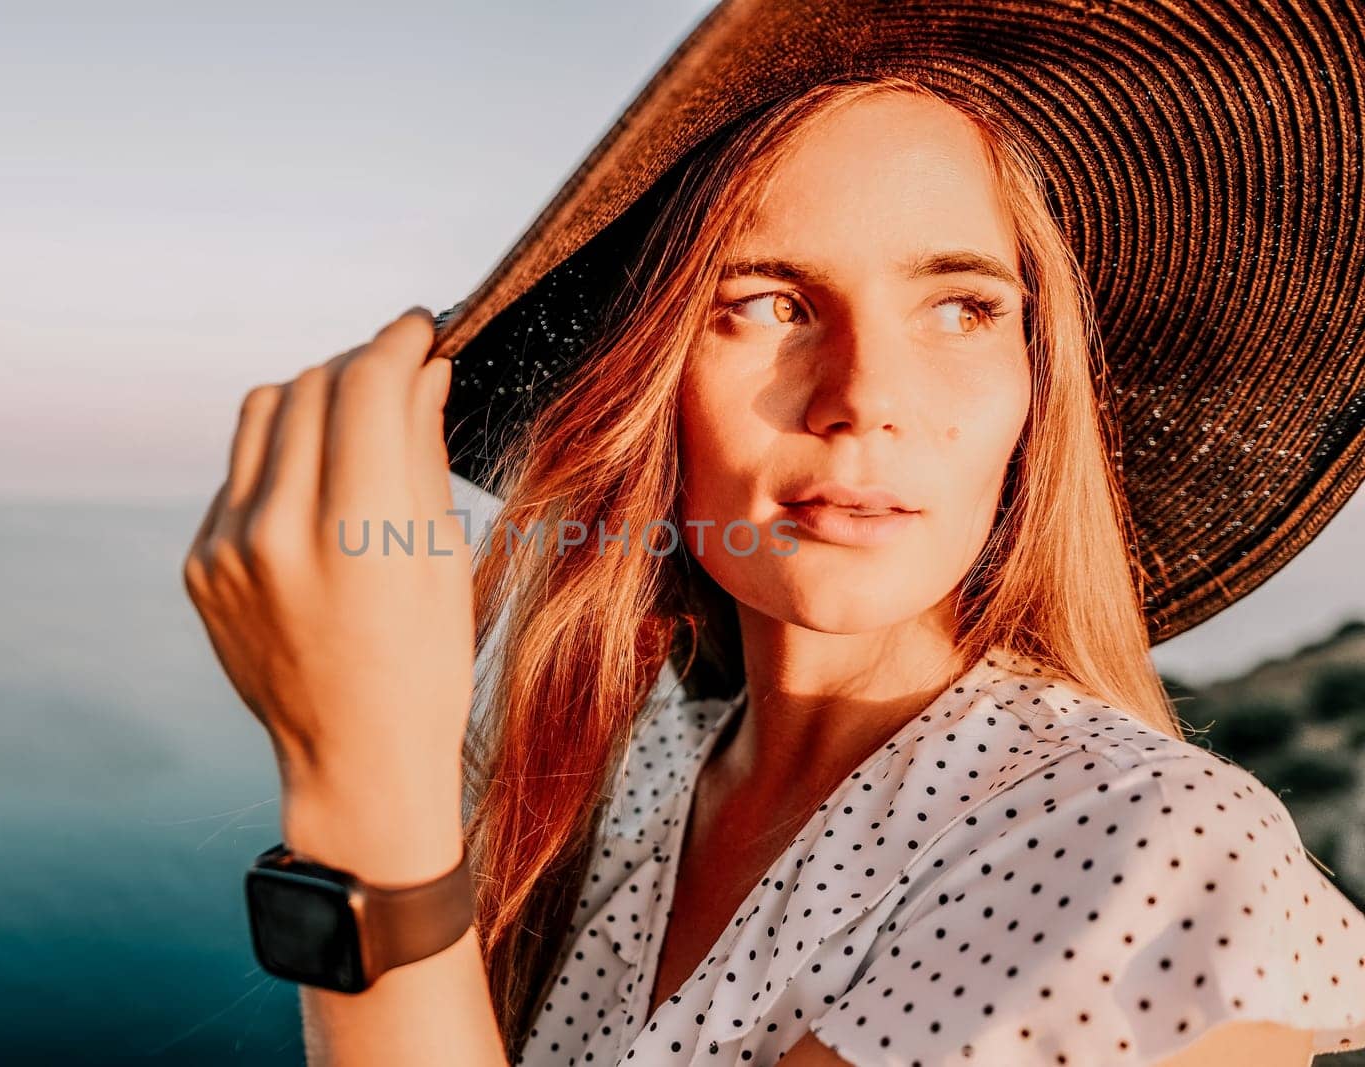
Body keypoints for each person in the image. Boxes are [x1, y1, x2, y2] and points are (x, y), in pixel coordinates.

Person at [181, 5, 1365, 1066]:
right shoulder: (641, 766)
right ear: (642, 385)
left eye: (961, 306)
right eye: (763, 304)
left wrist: (365, 793)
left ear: (1035, 384)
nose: (864, 394)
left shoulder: (1134, 855)